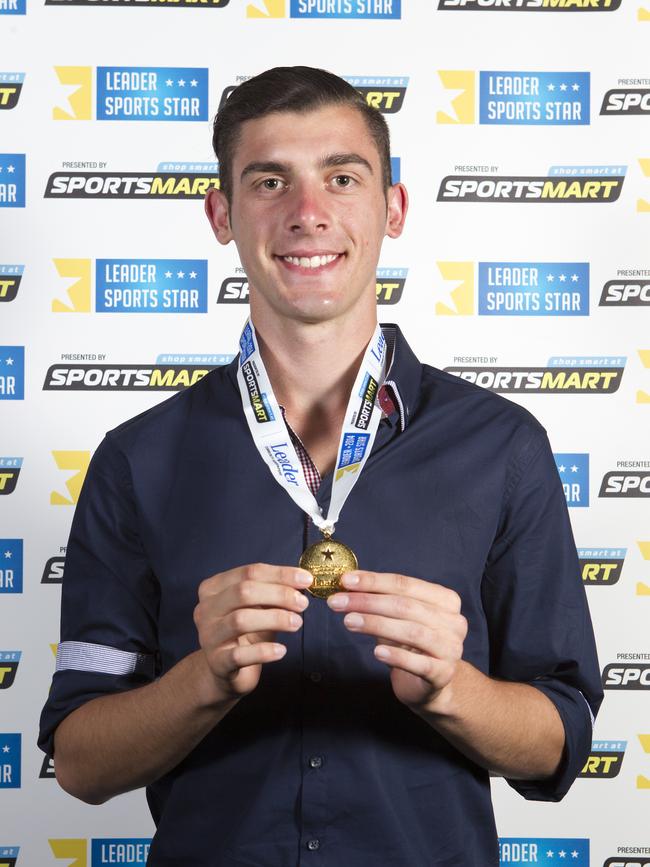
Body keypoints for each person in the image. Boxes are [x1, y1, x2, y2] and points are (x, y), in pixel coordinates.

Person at [39, 66, 603, 866]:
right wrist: (201, 678)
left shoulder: (502, 446)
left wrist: (451, 689)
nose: (308, 214)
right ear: (221, 214)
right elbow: (80, 761)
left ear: (393, 209)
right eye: (271, 181)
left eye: (342, 177)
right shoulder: (139, 459)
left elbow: (560, 740)